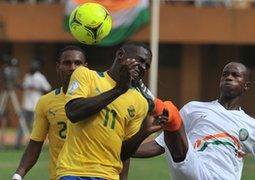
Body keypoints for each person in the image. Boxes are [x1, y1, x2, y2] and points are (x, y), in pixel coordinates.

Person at [134, 62, 255, 180]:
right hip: (193, 169)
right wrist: (122, 150)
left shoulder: (254, 127)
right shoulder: (194, 108)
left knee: (172, 115)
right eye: (225, 75)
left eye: (235, 75)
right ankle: (150, 98)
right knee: (171, 112)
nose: (228, 77)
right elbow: (160, 145)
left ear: (246, 86)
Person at [56, 42, 165, 180]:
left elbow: (123, 154)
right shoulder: (86, 75)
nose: (143, 67)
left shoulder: (140, 102)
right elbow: (73, 112)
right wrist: (118, 90)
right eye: (140, 60)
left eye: (146, 65)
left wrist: (145, 131)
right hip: (74, 171)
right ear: (120, 55)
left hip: (109, 175)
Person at [12, 46, 87, 180]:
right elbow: (35, 143)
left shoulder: (98, 99)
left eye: (78, 63)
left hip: (93, 175)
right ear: (58, 67)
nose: (73, 67)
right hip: (61, 175)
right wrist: (18, 175)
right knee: (23, 129)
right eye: (67, 63)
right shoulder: (46, 102)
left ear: (86, 67)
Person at [15, 60, 51, 149]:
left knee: (34, 126)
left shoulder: (40, 77)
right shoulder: (27, 76)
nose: (31, 68)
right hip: (26, 104)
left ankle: (34, 145)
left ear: (37, 68)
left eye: (33, 67)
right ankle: (17, 144)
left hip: (35, 105)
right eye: (31, 66)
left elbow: (47, 88)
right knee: (22, 125)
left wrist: (37, 88)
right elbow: (24, 86)